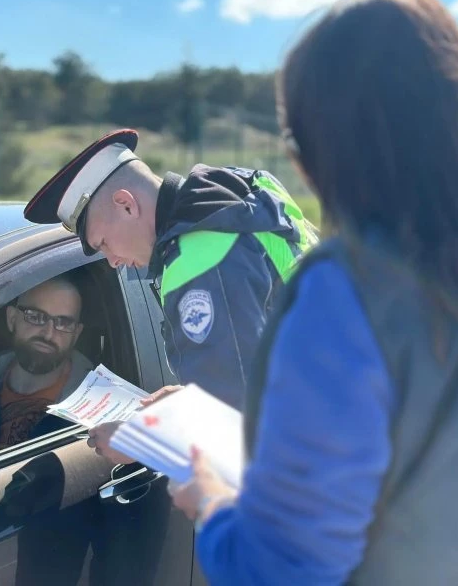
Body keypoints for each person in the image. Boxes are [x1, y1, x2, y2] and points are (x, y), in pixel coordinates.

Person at [168, 0, 458, 584]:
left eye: (297, 143)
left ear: (324, 151)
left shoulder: (345, 294)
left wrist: (212, 505)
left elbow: (283, 569)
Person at [23, 129, 318, 460]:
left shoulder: (201, 261)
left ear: (125, 204)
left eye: (103, 243)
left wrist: (142, 442)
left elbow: (236, 424)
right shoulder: (235, 201)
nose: (113, 262)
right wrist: (197, 391)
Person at [0, 276, 93, 451]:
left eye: (63, 323)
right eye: (35, 317)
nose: (48, 334)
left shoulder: (97, 398)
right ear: (12, 319)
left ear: (76, 334)